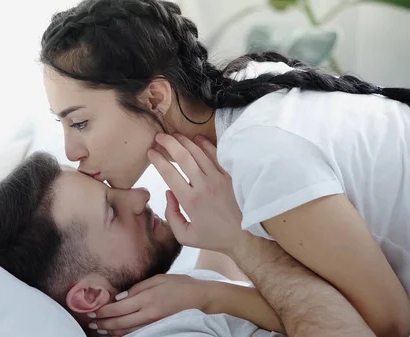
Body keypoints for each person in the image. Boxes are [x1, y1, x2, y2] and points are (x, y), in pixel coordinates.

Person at [40, 0, 410, 336]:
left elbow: (391, 324)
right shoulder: (243, 94)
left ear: (154, 98)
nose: (72, 152)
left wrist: (208, 295)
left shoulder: (261, 153)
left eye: (81, 123)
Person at [0, 151, 374, 337]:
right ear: (90, 294)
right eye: (112, 211)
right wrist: (213, 293)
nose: (139, 196)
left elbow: (221, 270)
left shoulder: (168, 306)